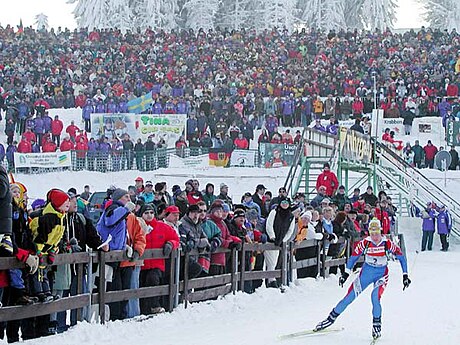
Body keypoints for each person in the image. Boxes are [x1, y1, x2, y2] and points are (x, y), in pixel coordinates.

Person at [315, 218, 411, 340]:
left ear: (381, 232)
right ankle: (330, 319)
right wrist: (346, 274)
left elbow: (401, 257)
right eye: (372, 234)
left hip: (381, 274)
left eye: (377, 234)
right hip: (366, 273)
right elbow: (353, 258)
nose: (375, 237)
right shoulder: (365, 243)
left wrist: (405, 275)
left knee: (375, 297)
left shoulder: (387, 243)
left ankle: (377, 325)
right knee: (349, 297)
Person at [264, 197, 296, 288]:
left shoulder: (291, 216)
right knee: (271, 261)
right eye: (283, 202)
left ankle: (274, 280)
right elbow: (269, 225)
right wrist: (272, 236)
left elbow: (290, 230)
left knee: (278, 261)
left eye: (286, 202)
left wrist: (284, 240)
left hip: (281, 241)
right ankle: (271, 281)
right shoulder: (274, 212)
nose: (285, 204)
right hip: (271, 241)